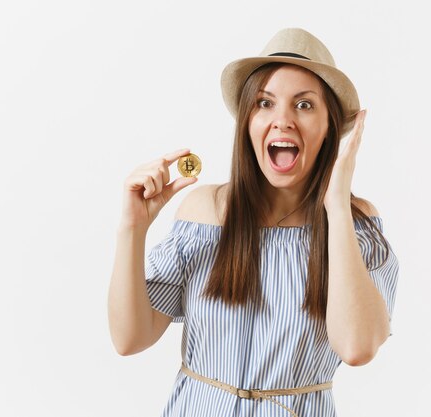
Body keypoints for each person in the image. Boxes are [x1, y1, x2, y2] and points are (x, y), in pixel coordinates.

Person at [108, 27, 399, 417]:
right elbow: (129, 338)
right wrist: (133, 228)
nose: (282, 121)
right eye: (265, 103)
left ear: (331, 126)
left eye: (305, 105)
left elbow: (358, 347)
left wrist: (337, 206)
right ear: (247, 122)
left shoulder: (356, 227)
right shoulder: (206, 213)